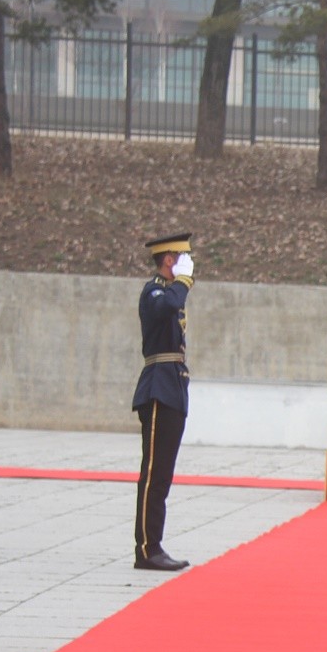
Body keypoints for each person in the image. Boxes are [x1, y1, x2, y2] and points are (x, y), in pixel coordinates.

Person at [132, 233, 195, 572]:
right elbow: (167, 306)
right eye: (182, 258)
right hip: (158, 386)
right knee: (154, 473)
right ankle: (146, 548)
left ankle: (153, 544)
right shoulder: (154, 291)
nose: (188, 265)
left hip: (173, 384)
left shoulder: (169, 291)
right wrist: (183, 280)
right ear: (169, 260)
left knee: (164, 474)